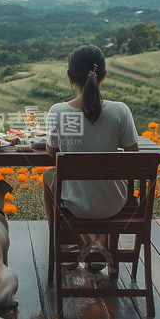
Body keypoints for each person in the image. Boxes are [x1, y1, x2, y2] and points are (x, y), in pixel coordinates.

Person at [43, 44, 139, 272]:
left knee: (48, 175)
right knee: (104, 184)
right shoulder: (120, 111)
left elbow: (52, 152)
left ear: (69, 76)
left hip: (75, 205)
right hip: (114, 204)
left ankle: (68, 245)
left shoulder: (58, 111)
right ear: (104, 75)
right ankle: (98, 244)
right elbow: (133, 155)